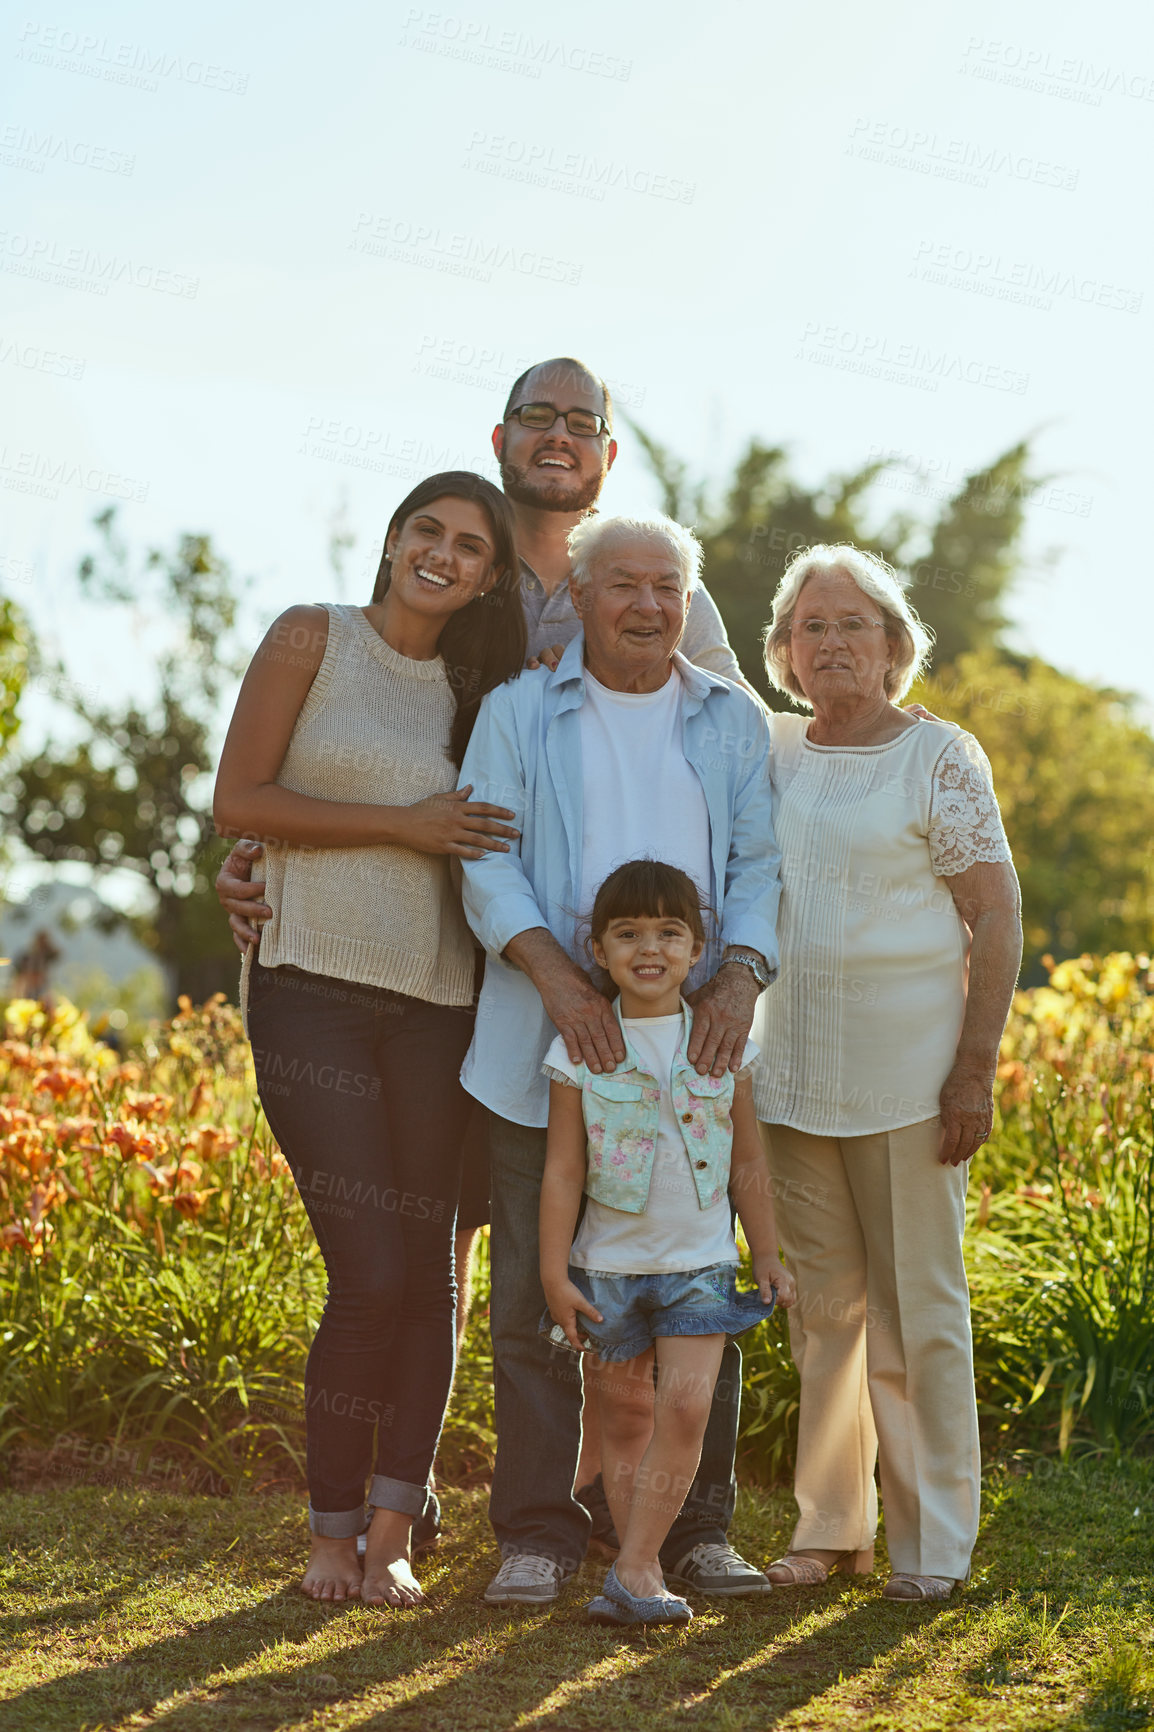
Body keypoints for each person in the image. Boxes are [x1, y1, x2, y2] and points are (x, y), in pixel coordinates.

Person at [212, 471, 525, 1606]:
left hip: (441, 1003)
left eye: (469, 547)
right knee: (372, 1271)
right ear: (392, 541)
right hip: (311, 994)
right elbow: (239, 798)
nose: (442, 554)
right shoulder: (312, 635)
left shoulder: (480, 688)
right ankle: (327, 1537)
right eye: (425, 532)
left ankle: (392, 1531)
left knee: (431, 1280)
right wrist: (401, 825)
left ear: (490, 576)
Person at [459, 510, 781, 1607]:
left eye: (666, 588)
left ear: (687, 603)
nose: (646, 606)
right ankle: (540, 1532)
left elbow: (756, 863)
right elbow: (486, 862)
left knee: (698, 1279)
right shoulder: (519, 711)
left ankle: (694, 1532)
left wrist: (736, 974)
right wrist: (557, 976)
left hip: (692, 1047)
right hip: (542, 1040)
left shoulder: (729, 717)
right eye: (622, 586)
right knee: (540, 1298)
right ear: (580, 597)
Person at [753, 543, 1022, 1602]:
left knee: (918, 1307)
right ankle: (830, 1527)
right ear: (782, 650)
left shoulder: (937, 755)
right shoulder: (770, 750)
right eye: (809, 626)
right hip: (786, 1079)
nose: (828, 641)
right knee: (820, 1313)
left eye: (850, 623)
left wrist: (973, 1069)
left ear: (893, 644)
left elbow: (992, 914)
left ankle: (930, 1541)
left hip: (911, 1081)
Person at [540, 860, 797, 1626]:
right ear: (598, 948)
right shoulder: (578, 1050)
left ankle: (637, 1563)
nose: (648, 948)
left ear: (698, 948)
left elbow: (749, 1163)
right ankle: (635, 1571)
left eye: (668, 933)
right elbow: (560, 1173)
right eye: (628, 933)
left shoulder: (724, 1048)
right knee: (623, 1422)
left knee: (684, 1414)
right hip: (608, 1270)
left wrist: (769, 1254)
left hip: (701, 1268)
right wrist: (555, 1274)